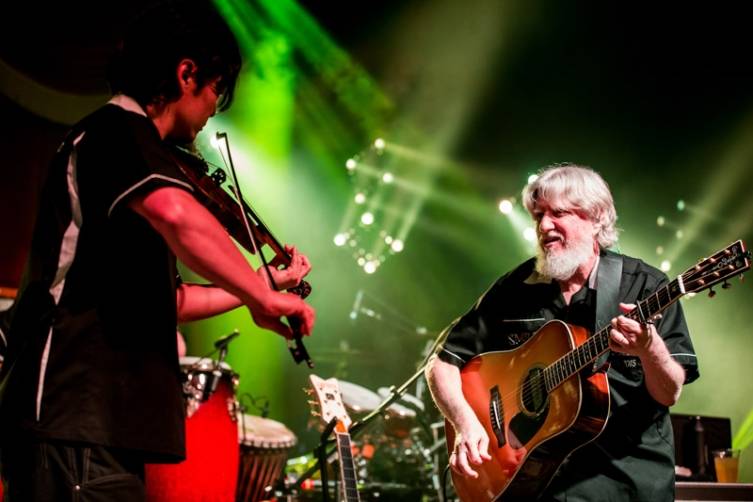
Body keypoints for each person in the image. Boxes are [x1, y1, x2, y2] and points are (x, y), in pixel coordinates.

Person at [0, 1, 315, 500]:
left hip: (97, 427)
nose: (214, 109)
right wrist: (261, 297)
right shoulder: (116, 131)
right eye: (216, 90)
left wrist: (263, 283)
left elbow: (173, 302)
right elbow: (177, 212)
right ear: (187, 74)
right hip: (72, 413)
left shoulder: (131, 150)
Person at [425, 164, 698, 501]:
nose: (544, 225)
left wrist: (649, 348)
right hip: (535, 486)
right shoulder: (515, 288)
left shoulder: (645, 285)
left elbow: (669, 393)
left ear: (596, 218)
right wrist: (466, 424)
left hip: (626, 484)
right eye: (538, 215)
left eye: (559, 213)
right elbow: (442, 363)